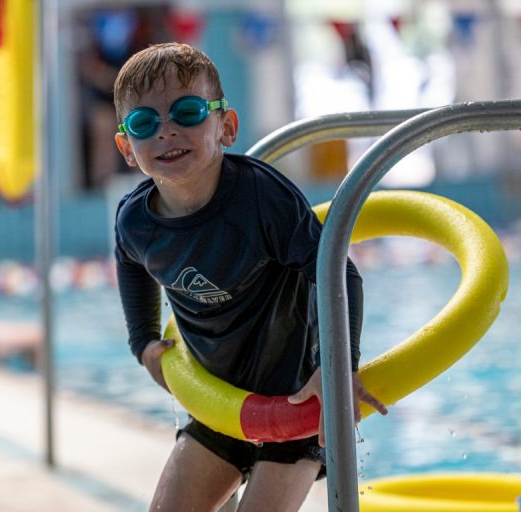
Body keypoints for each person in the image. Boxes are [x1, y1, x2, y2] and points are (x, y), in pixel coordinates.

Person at [112, 43, 388, 511]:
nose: (167, 131)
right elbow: (130, 266)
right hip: (219, 401)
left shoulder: (262, 200)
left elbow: (337, 272)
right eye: (144, 123)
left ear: (226, 127)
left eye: (188, 112)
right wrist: (143, 341)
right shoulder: (135, 221)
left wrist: (337, 364)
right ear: (126, 147)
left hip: (297, 399)